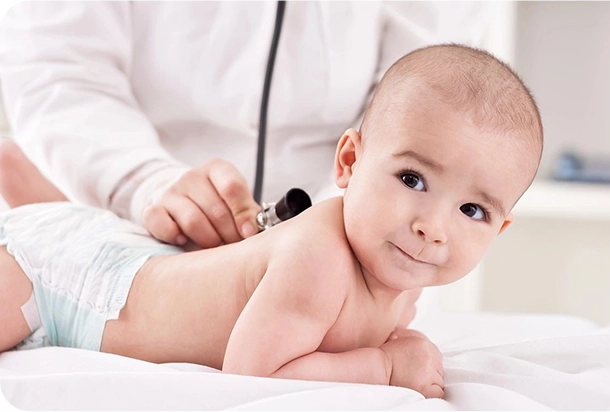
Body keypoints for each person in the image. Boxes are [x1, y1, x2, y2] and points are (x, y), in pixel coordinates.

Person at [0, 44, 543, 399]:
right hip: (61, 283)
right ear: (349, 162)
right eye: (412, 180)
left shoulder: (403, 282)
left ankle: (30, 188)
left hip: (126, 262)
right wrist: (384, 367)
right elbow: (256, 373)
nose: (433, 227)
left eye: (472, 210)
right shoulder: (321, 257)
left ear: (499, 230)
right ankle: (26, 188)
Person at [0, 1, 494, 249]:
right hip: (131, 215)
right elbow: (58, 72)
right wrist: (144, 182)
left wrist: (334, 230)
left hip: (345, 232)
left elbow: (423, 90)